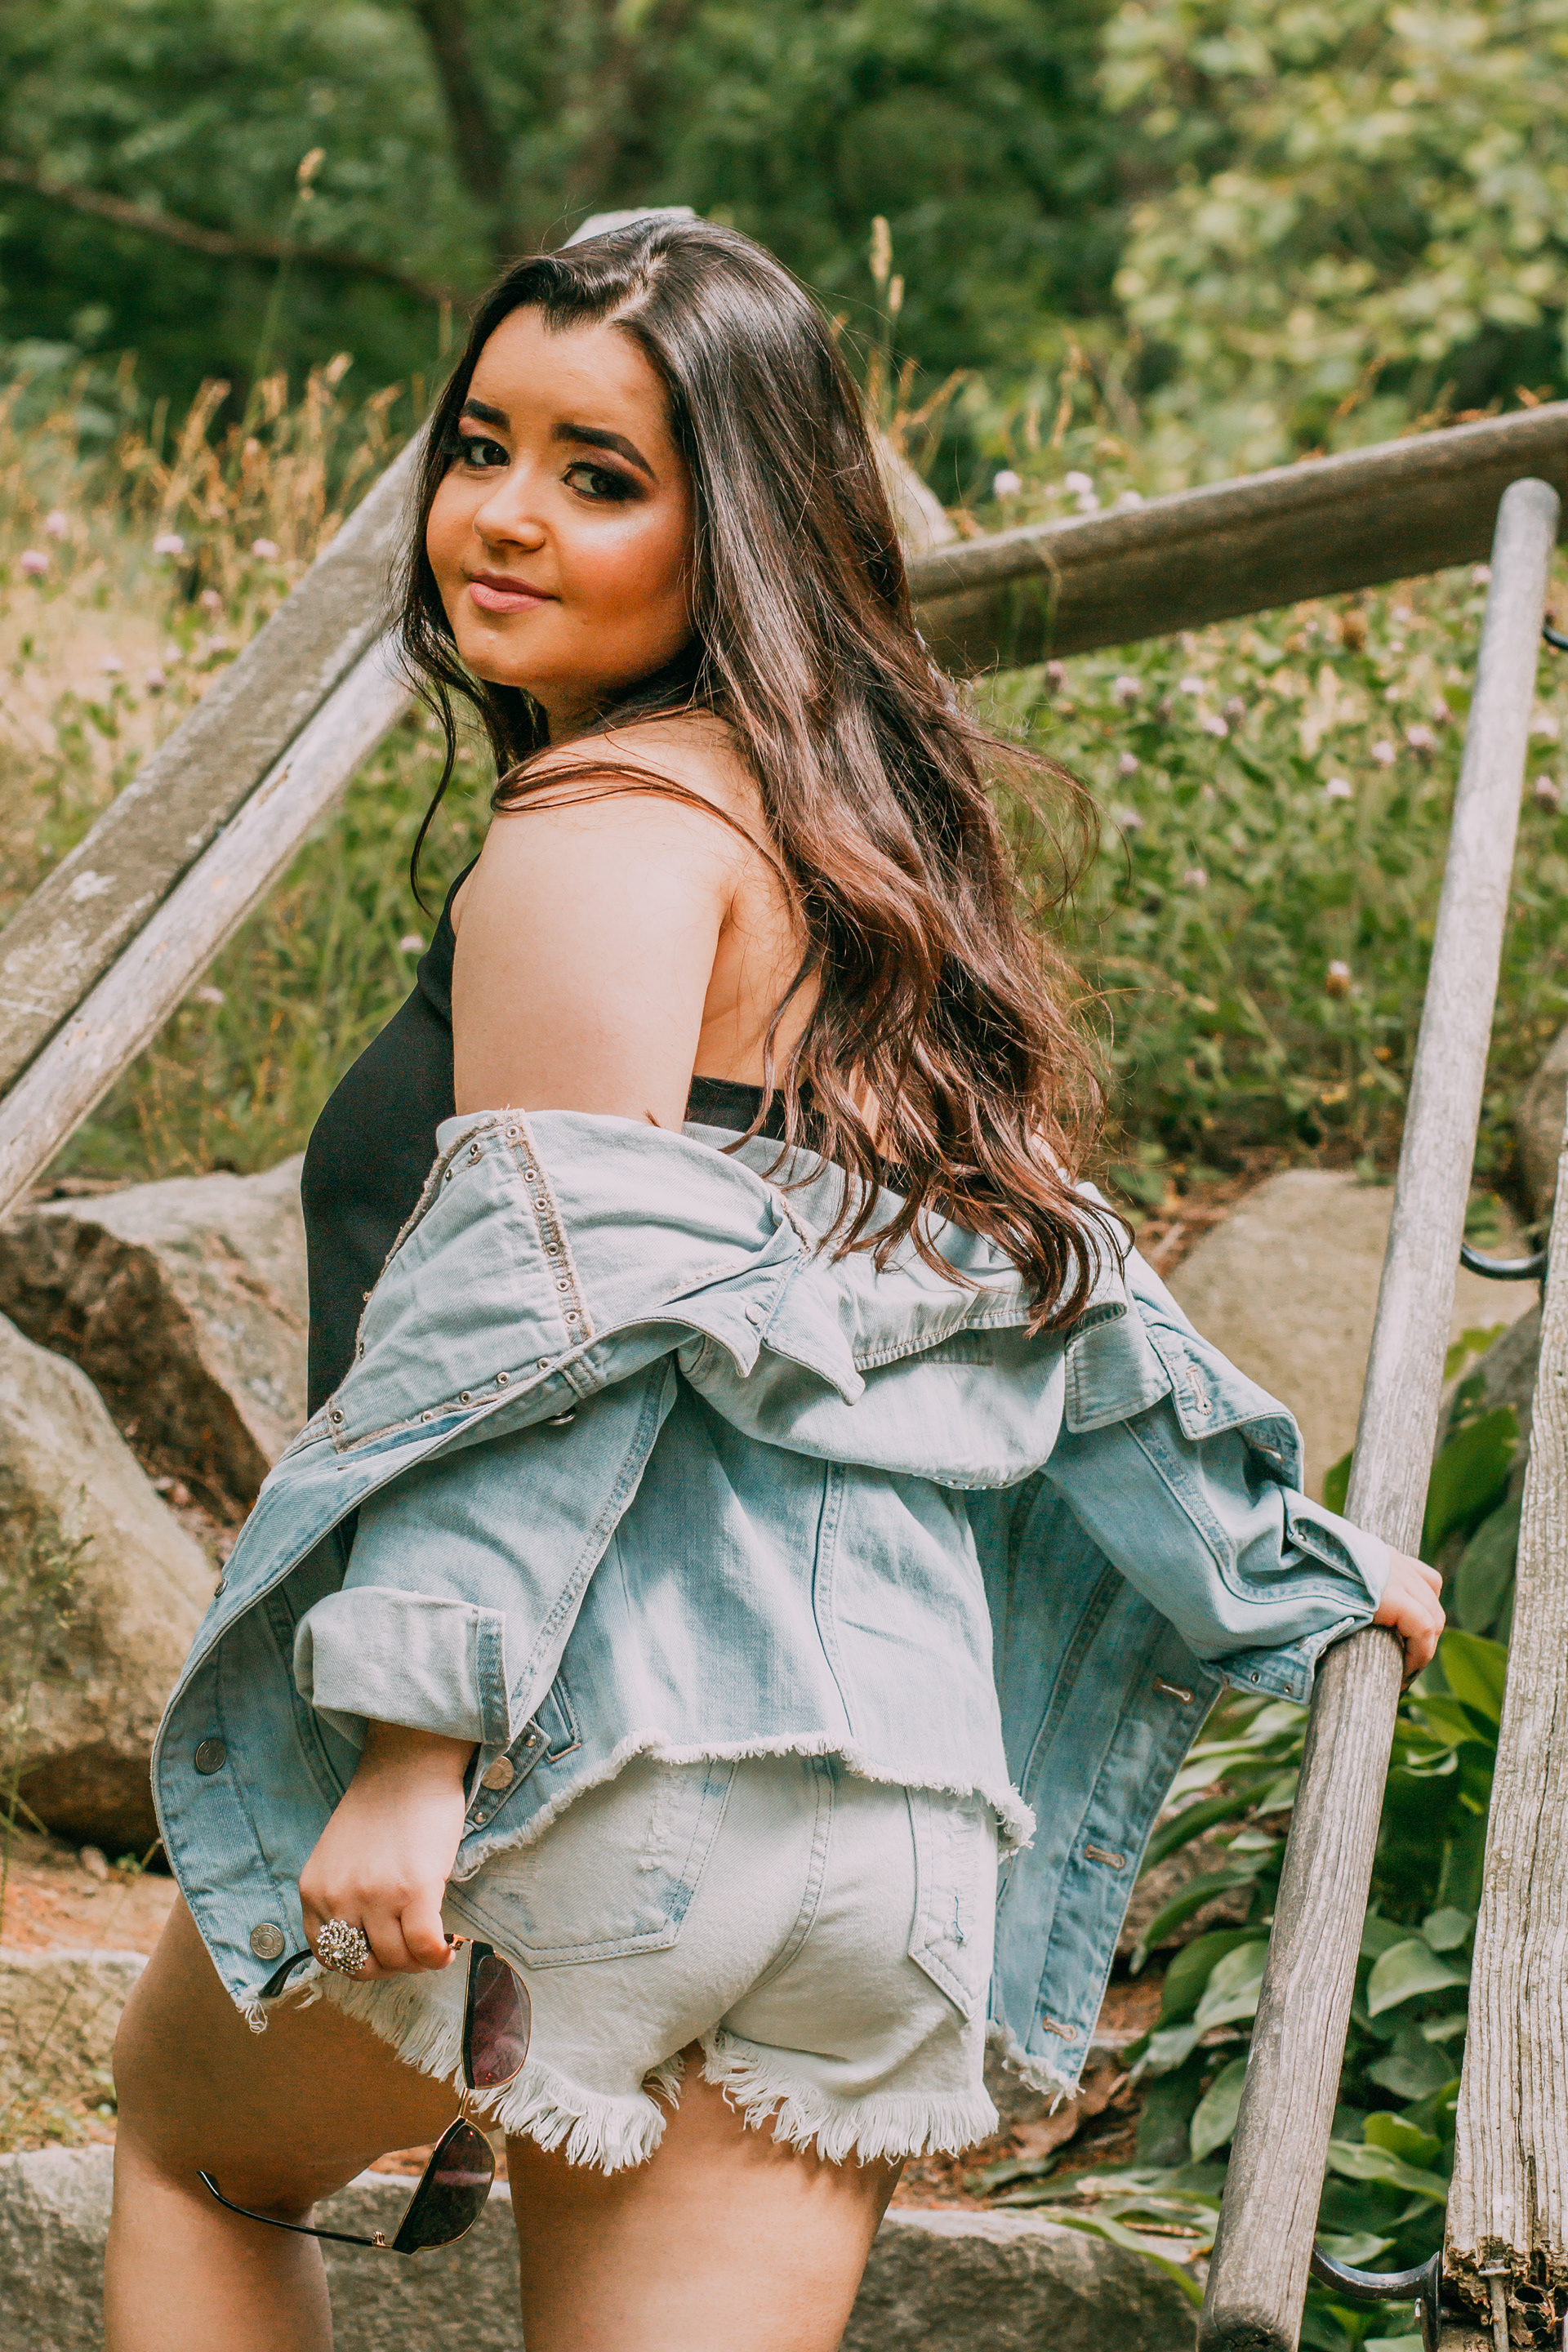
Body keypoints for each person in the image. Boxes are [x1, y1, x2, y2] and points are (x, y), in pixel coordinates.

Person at [105, 217, 1443, 2352]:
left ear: (740, 527)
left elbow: (545, 1330)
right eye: (481, 446)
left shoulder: (600, 839)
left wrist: (415, 1749)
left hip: (589, 1767)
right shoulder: (870, 855)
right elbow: (1037, 1271)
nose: (504, 516)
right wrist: (1283, 1555)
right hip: (888, 1831)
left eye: (600, 475)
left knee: (194, 2155)